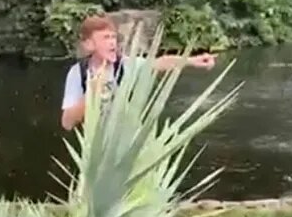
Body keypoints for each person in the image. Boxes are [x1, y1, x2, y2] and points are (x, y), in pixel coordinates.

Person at [60, 14, 217, 131]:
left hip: (128, 143)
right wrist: (91, 95)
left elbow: (160, 63)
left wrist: (193, 61)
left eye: (113, 37)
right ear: (88, 44)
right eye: (105, 38)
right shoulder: (78, 73)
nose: (112, 42)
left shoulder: (125, 65)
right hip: (97, 153)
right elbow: (67, 123)